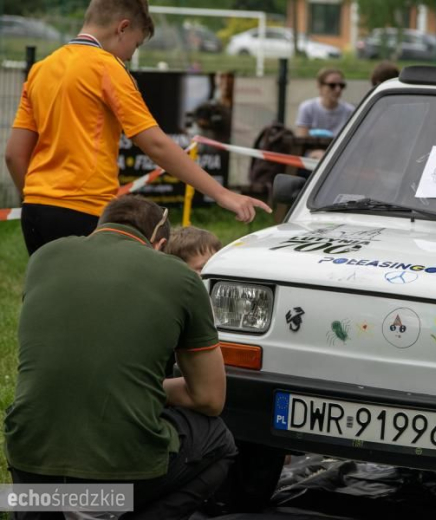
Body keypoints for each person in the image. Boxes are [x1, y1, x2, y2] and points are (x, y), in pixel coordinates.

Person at [4, 195, 237, 519]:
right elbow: (211, 398)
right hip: (116, 479)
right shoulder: (180, 277)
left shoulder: (44, 257)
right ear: (160, 244)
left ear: (101, 228)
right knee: (219, 440)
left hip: (28, 466)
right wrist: (146, 388)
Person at [4, 0, 270, 257]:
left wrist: (36, 200)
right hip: (84, 210)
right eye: (136, 44)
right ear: (122, 28)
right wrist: (223, 195)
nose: (131, 55)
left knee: (49, 299)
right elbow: (155, 144)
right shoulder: (107, 67)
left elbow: (14, 155)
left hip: (35, 210)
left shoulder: (40, 69)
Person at [295, 68, 355, 138]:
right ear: (320, 86)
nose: (338, 89)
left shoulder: (350, 111)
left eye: (341, 86)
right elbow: (302, 138)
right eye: (332, 85)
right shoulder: (307, 108)